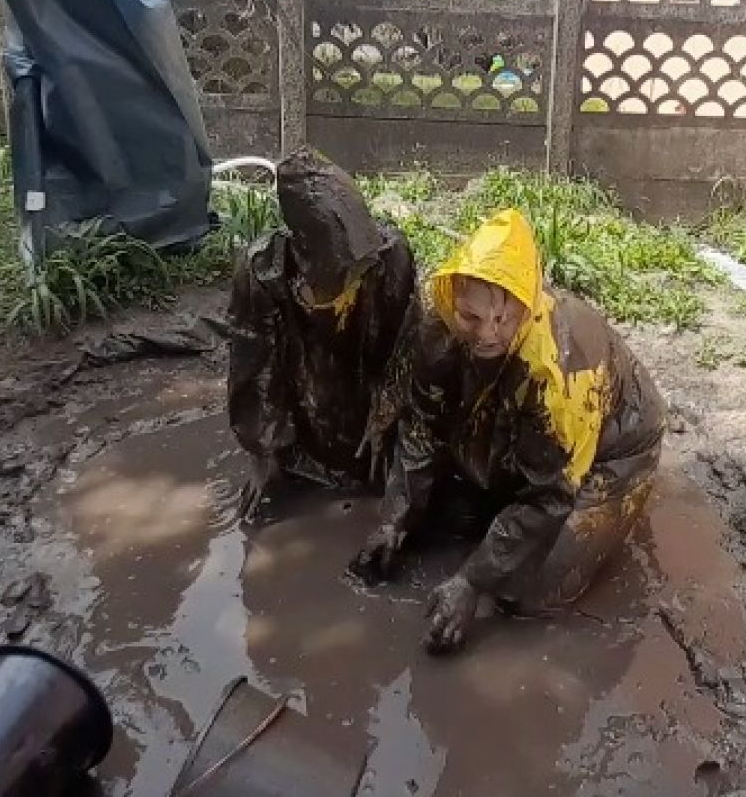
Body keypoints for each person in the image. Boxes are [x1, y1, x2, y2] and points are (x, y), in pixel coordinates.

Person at [348, 209, 665, 653]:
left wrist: (471, 581)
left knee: (529, 593)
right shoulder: (436, 328)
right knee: (445, 520)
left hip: (613, 452)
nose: (487, 334)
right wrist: (394, 519)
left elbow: (552, 494)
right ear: (453, 300)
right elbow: (420, 429)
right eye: (471, 317)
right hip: (517, 423)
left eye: (503, 319)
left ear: (527, 307)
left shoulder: (554, 374)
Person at [226, 150, 417, 515]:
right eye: (344, 268)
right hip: (304, 390)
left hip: (363, 381)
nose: (357, 276)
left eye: (362, 265)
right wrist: (263, 450)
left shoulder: (390, 257)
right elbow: (253, 370)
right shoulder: (262, 270)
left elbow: (403, 349)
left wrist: (385, 415)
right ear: (306, 251)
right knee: (298, 467)